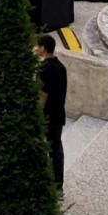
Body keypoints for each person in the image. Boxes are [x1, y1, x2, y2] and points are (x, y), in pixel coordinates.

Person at [36, 34, 68, 190]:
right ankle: (58, 183)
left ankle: (49, 182)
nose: (35, 49)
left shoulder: (43, 69)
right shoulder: (61, 67)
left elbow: (43, 95)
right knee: (56, 148)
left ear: (43, 48)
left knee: (46, 147)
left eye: (37, 46)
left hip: (47, 116)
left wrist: (37, 115)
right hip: (59, 114)